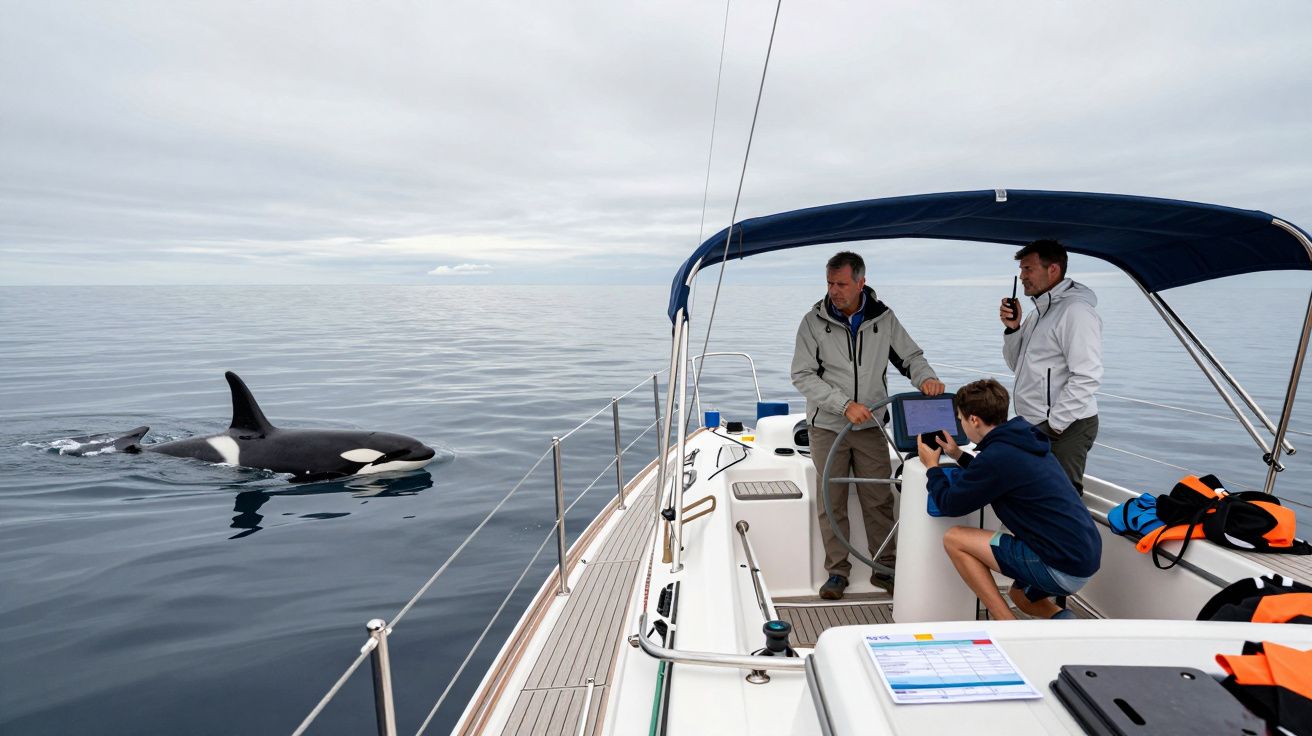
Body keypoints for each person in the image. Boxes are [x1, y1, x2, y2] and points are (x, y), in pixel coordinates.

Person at [792, 251, 944, 600]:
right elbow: (801, 375)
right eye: (830, 283)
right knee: (831, 502)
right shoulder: (813, 323)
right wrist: (843, 405)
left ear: (861, 282)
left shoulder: (883, 319)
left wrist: (927, 379)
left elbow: (911, 357)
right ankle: (837, 573)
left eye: (841, 284)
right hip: (828, 427)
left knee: (878, 499)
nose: (834, 291)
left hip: (872, 425)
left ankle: (883, 568)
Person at [918, 379, 1101, 620]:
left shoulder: (996, 457)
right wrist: (958, 455)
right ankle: (1067, 624)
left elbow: (949, 503)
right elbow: (996, 475)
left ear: (974, 420)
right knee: (1020, 596)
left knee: (955, 539)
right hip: (1084, 558)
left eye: (961, 418)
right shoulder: (1022, 440)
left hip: (1061, 566)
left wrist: (932, 467)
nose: (961, 424)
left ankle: (1005, 623)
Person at [1000, 239, 1103, 493]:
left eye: (1028, 269)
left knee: (1062, 499)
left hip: (1065, 427)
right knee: (1037, 496)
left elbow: (1087, 376)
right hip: (1037, 425)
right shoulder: (1039, 313)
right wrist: (1012, 330)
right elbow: (1018, 366)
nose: (1022, 276)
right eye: (1021, 270)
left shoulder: (1076, 312)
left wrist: (1055, 425)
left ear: (1053, 270)